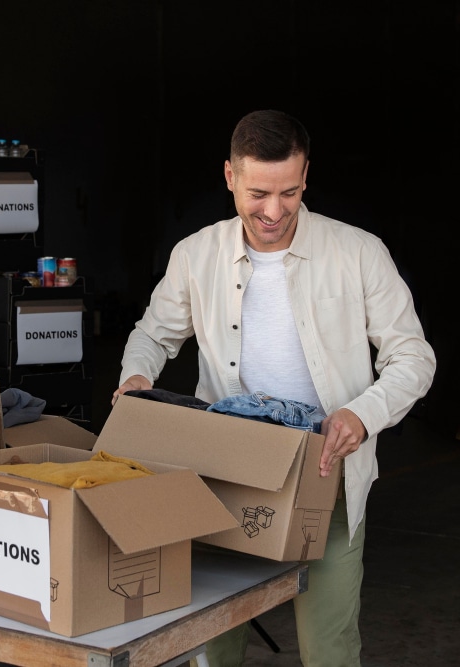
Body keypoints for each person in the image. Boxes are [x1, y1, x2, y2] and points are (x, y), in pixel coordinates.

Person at [112, 110, 435, 666]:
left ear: (306, 176)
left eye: (290, 191)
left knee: (328, 648)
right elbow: (153, 335)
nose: (274, 211)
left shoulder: (359, 252)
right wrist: (136, 376)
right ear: (230, 176)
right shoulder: (195, 255)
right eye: (259, 192)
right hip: (223, 475)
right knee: (212, 642)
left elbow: (413, 357)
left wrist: (361, 415)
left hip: (326, 473)